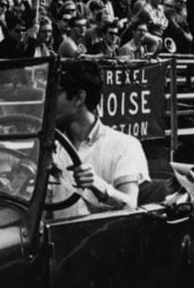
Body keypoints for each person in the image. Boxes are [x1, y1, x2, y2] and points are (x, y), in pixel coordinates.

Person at [52, 59, 149, 213]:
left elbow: (130, 206)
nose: (48, 101)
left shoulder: (125, 145)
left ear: (78, 98)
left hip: (105, 229)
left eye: (55, 93)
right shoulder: (51, 147)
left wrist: (97, 184)